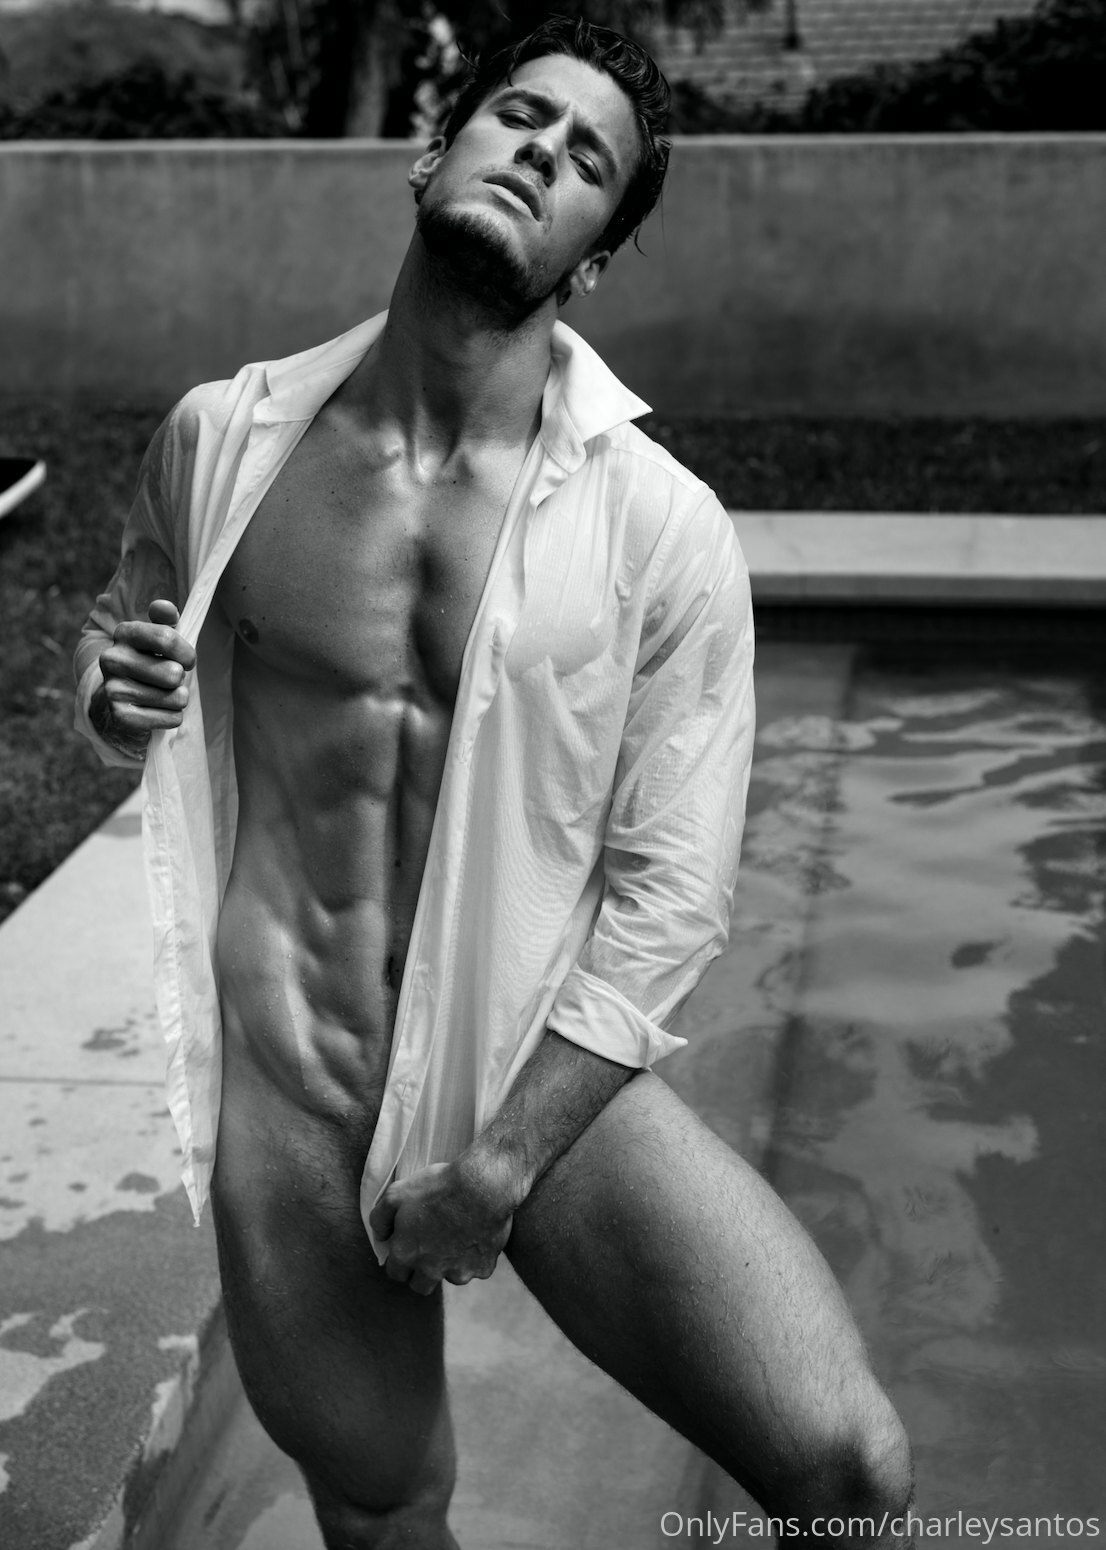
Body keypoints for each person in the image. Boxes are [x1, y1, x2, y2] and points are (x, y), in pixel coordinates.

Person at [75, 18, 914, 1548]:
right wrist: (110, 694)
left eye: (587, 157)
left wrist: (505, 1158)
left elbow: (673, 893)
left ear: (594, 257)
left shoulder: (659, 526)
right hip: (297, 1080)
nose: (540, 151)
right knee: (384, 1508)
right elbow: (127, 638)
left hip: (524, 1059)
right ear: (434, 150)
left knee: (846, 1466)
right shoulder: (225, 439)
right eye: (519, 115)